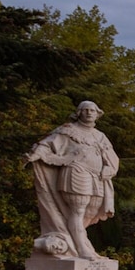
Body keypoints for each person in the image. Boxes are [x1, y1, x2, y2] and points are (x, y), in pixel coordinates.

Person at [26, 101, 119, 260]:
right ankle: (81, 249)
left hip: (97, 176)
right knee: (78, 210)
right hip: (76, 171)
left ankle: (73, 241)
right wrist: (35, 155)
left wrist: (109, 168)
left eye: (92, 110)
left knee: (92, 211)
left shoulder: (99, 136)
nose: (89, 113)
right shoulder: (67, 130)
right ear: (79, 113)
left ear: (97, 114)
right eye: (85, 110)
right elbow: (46, 144)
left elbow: (111, 156)